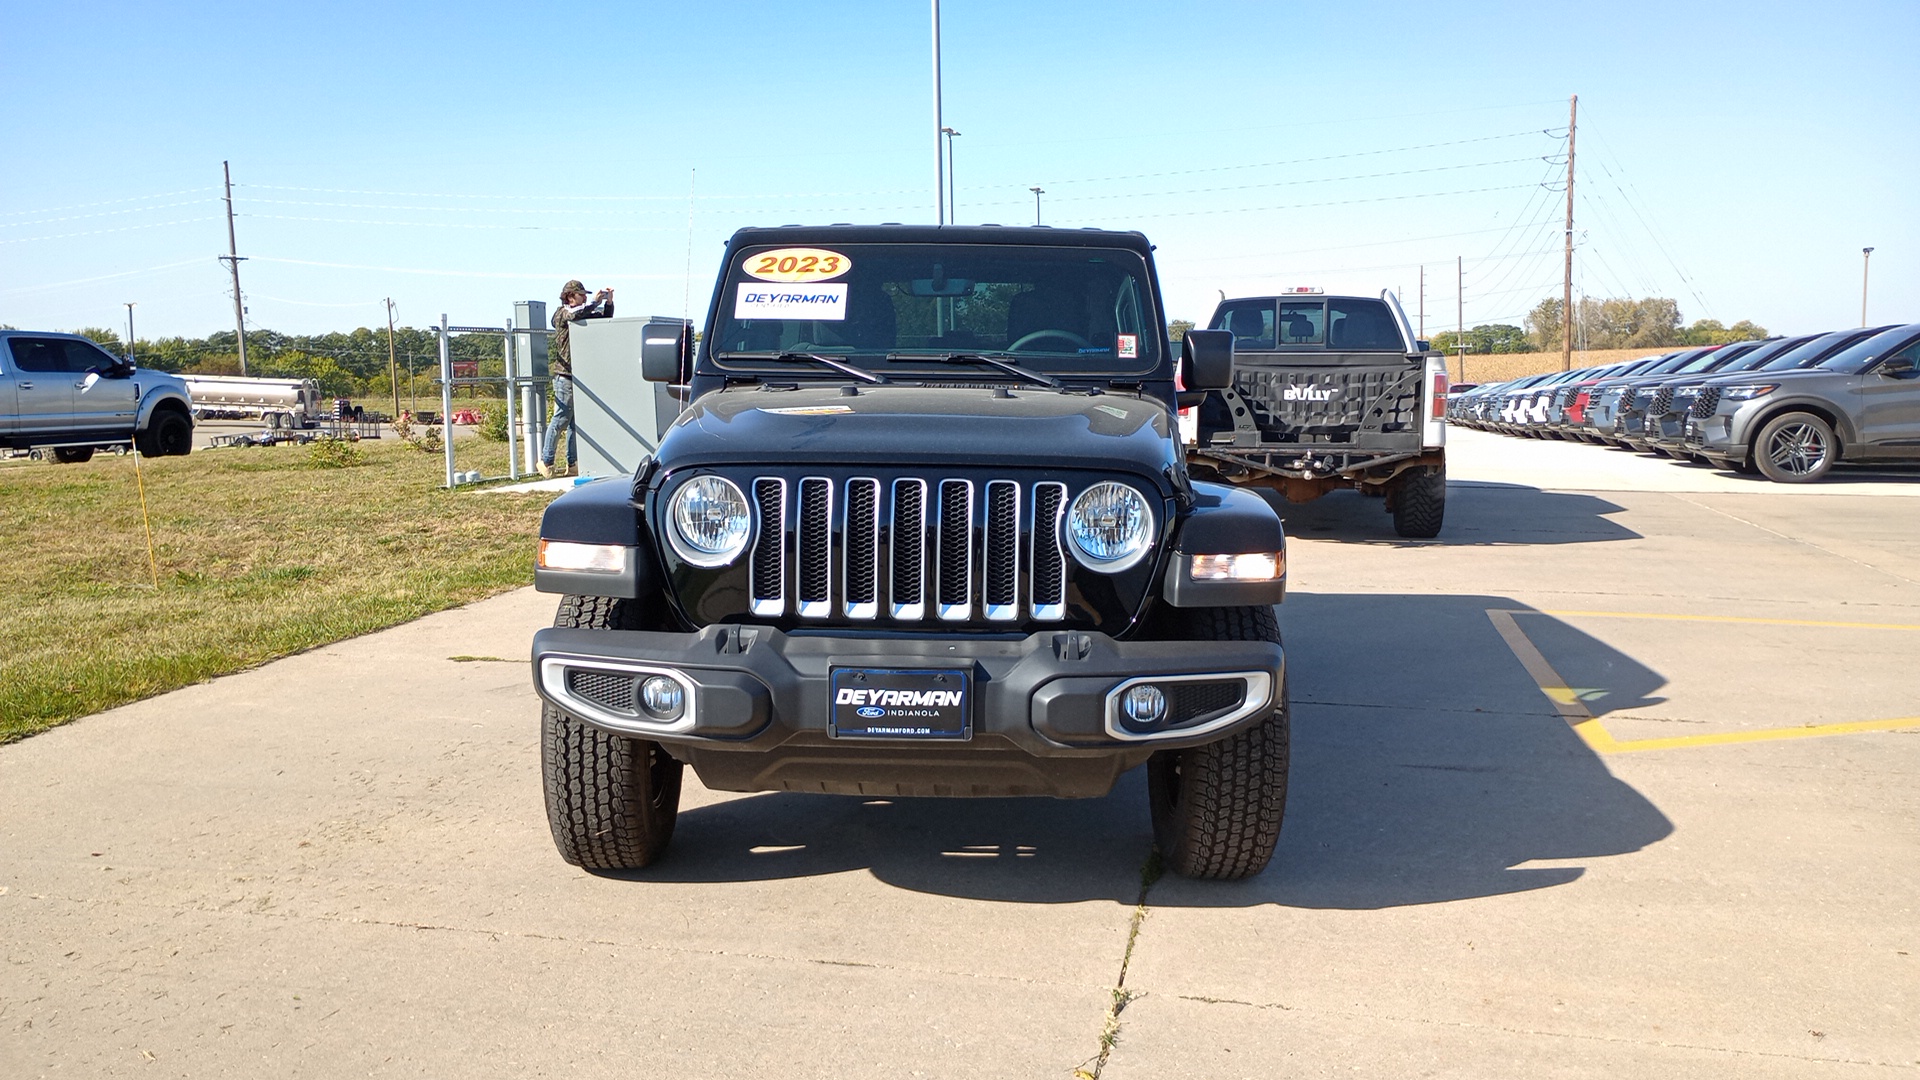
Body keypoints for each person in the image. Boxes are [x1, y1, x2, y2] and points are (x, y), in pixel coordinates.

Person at [541, 279, 614, 476]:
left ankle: (572, 463)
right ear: (570, 296)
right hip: (563, 375)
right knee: (561, 418)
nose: (585, 298)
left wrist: (608, 303)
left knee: (575, 422)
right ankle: (546, 460)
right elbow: (575, 314)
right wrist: (595, 303)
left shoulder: (582, 312)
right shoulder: (561, 313)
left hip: (579, 375)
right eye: (581, 295)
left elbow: (605, 319)